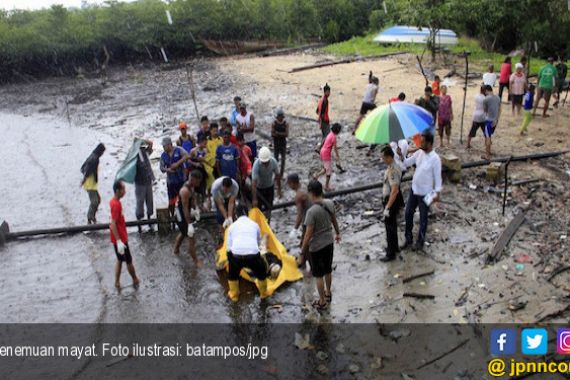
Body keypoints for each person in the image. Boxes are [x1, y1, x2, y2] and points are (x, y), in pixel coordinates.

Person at [301, 180, 341, 310]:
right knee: (328, 270)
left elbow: (308, 235)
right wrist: (338, 233)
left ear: (311, 193)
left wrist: (302, 252)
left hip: (316, 247)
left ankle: (322, 300)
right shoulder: (329, 203)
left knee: (318, 275)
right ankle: (328, 293)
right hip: (329, 242)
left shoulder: (311, 212)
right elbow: (334, 220)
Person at [399, 132, 442, 252]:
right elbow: (407, 163)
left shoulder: (435, 159)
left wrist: (437, 196)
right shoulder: (419, 153)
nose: (420, 144)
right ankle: (408, 239)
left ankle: (420, 242)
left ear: (429, 143)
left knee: (423, 218)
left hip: (426, 193)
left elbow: (438, 180)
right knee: (408, 213)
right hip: (414, 189)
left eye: (422, 142)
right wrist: (401, 156)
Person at [226, 205, 269, 302]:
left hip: (236, 256)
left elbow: (229, 248)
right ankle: (263, 294)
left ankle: (234, 295)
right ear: (248, 214)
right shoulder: (255, 225)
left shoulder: (232, 226)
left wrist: (231, 262)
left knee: (232, 274)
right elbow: (258, 244)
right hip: (253, 256)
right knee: (261, 273)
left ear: (236, 215)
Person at [109, 181, 140, 289]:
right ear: (118, 191)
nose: (125, 192)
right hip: (120, 239)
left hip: (118, 238)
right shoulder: (116, 205)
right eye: (123, 189)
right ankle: (135, 279)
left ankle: (117, 282)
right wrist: (119, 241)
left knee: (120, 260)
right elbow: (113, 224)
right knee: (128, 260)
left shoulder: (114, 202)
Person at [173, 170, 203, 267]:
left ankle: (176, 249)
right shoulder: (185, 191)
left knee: (183, 232)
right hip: (180, 215)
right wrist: (189, 224)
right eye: (198, 182)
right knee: (191, 238)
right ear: (193, 180)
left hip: (183, 211)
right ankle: (196, 261)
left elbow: (193, 199)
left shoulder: (191, 187)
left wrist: (195, 209)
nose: (199, 184)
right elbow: (185, 209)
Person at [380, 146, 404, 262]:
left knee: (389, 226)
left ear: (389, 157)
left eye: (384, 158)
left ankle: (391, 253)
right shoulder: (391, 167)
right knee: (392, 224)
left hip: (391, 201)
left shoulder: (393, 170)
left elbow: (394, 191)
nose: (382, 160)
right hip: (391, 200)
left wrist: (387, 208)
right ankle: (394, 247)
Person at [160, 137, 188, 224]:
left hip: (181, 180)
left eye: (164, 146)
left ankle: (185, 217)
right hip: (171, 182)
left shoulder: (179, 150)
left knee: (183, 200)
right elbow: (161, 168)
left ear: (169, 145)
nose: (164, 148)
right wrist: (168, 170)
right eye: (163, 146)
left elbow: (187, 156)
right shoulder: (163, 155)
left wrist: (178, 164)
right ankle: (172, 218)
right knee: (171, 201)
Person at [286, 173, 311, 266]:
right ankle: (303, 260)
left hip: (308, 220)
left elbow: (300, 214)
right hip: (313, 215)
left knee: (305, 243)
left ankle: (306, 263)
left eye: (289, 184)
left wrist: (295, 229)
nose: (288, 186)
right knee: (305, 242)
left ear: (292, 183)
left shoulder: (298, 196)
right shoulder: (304, 187)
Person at [252, 146, 280, 220]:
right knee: (259, 208)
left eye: (266, 162)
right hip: (259, 188)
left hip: (269, 187)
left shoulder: (273, 162)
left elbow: (277, 176)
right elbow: (254, 183)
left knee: (269, 207)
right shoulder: (256, 164)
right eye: (263, 163)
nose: (265, 164)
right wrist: (254, 199)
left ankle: (268, 223)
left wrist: (279, 190)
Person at [80, 143, 105, 224]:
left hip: (91, 183)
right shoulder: (94, 158)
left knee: (98, 200)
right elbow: (87, 170)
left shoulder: (93, 156)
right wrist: (83, 180)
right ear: (100, 151)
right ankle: (90, 217)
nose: (102, 154)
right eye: (102, 152)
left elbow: (84, 168)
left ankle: (92, 217)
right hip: (89, 183)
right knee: (94, 201)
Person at [134, 139, 154, 233]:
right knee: (140, 203)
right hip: (139, 182)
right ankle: (139, 224)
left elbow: (150, 143)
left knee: (149, 202)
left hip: (148, 181)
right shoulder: (134, 155)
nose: (142, 148)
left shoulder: (146, 153)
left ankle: (150, 221)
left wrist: (142, 140)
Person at [315, 123, 342, 192]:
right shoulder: (334, 137)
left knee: (325, 168)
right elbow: (335, 148)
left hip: (322, 151)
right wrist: (338, 157)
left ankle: (316, 176)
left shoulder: (330, 134)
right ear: (338, 131)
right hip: (326, 153)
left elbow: (324, 141)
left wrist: (319, 148)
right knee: (329, 172)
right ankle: (326, 187)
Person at [482, 85, 501, 160]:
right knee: (489, 136)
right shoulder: (498, 97)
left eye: (484, 91)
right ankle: (489, 151)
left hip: (488, 121)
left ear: (486, 90)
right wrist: (496, 119)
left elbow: (485, 110)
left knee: (488, 137)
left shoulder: (486, 99)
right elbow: (500, 109)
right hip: (495, 120)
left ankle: (487, 155)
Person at [271, 108, 289, 184]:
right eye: (279, 116)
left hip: (282, 144)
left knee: (283, 160)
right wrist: (281, 134)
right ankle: (276, 175)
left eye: (281, 116)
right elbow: (272, 134)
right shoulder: (274, 123)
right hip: (277, 144)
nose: (280, 118)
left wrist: (277, 133)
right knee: (276, 160)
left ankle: (281, 175)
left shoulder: (285, 123)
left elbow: (287, 134)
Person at [188, 136, 208, 203]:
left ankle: (203, 202)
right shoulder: (193, 151)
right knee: (195, 188)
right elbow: (188, 160)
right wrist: (195, 164)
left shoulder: (206, 150)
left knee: (203, 187)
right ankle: (196, 203)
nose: (205, 145)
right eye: (204, 143)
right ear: (199, 143)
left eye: (206, 143)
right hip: (195, 171)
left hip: (203, 171)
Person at [205, 123, 223, 190]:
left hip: (221, 163)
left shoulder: (221, 139)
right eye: (214, 131)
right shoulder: (207, 140)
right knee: (213, 182)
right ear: (210, 131)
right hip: (211, 165)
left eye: (216, 130)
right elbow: (206, 153)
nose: (215, 132)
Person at [316, 83, 331, 150]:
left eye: (329, 92)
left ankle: (322, 150)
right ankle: (319, 148)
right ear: (325, 92)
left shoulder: (321, 100)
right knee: (327, 136)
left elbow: (317, 111)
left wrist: (319, 120)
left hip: (322, 120)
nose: (329, 93)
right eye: (328, 92)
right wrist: (321, 123)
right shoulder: (325, 101)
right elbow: (321, 113)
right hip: (324, 121)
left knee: (324, 136)